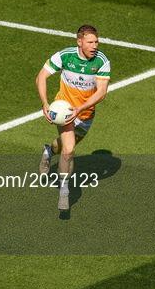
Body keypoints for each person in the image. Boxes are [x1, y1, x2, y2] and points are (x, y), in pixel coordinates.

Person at [35, 25, 111, 211]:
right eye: (90, 42)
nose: (95, 45)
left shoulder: (101, 61)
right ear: (80, 42)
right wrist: (45, 103)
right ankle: (64, 190)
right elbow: (41, 77)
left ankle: (48, 151)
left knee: (61, 147)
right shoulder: (65, 56)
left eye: (96, 42)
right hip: (65, 110)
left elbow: (101, 93)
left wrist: (80, 108)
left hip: (85, 114)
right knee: (69, 151)